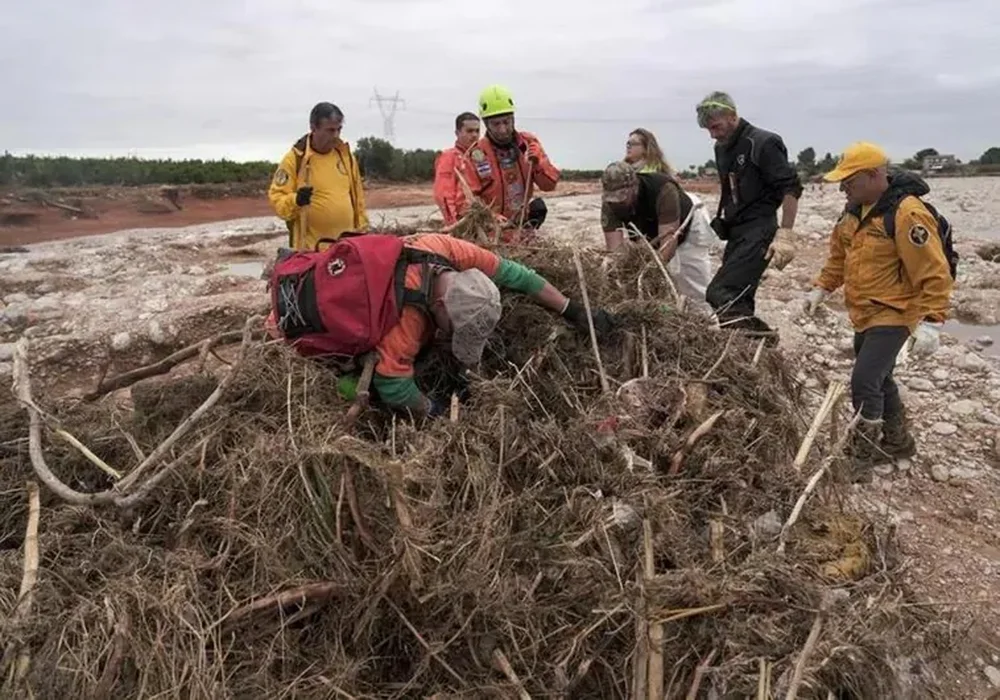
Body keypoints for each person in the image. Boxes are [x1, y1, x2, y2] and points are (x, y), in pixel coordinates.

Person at [272, 232, 616, 417]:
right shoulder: (405, 322)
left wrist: (571, 310)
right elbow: (395, 387)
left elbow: (518, 275)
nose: (451, 339)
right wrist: (433, 410)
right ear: (437, 307)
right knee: (361, 388)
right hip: (291, 329)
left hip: (315, 272)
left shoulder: (440, 248)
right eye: (453, 331)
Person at [803, 142, 953, 482]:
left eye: (849, 181)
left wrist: (932, 322)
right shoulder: (852, 213)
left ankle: (861, 457)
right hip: (864, 313)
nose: (843, 188)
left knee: (864, 381)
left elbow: (934, 270)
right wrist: (822, 288)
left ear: (874, 175)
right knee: (882, 379)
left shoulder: (906, 213)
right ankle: (900, 445)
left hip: (896, 313)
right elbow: (838, 259)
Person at [695, 92, 803, 341]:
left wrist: (785, 233)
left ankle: (764, 339)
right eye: (709, 130)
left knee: (719, 292)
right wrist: (723, 218)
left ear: (732, 116)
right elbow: (731, 188)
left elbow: (791, 187)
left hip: (760, 229)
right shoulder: (722, 148)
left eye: (716, 127)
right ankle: (746, 352)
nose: (713, 134)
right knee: (739, 298)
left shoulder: (763, 142)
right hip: (738, 231)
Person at [599, 162, 714, 312]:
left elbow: (668, 243)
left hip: (686, 227)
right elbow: (615, 251)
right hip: (648, 231)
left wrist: (650, 273)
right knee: (654, 292)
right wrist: (628, 277)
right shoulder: (610, 204)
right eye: (612, 198)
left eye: (621, 196)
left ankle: (708, 323)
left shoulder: (663, 190)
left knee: (693, 287)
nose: (618, 201)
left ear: (634, 187)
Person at [455, 85, 560, 241]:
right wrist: (489, 216)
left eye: (507, 122)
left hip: (522, 230)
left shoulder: (528, 143)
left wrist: (539, 164)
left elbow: (549, 185)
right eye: (496, 124)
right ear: (486, 124)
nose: (503, 129)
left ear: (513, 119)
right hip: (492, 235)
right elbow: (464, 202)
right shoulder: (476, 154)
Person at [268, 102, 368, 251]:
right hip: (311, 251)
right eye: (330, 130)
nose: (335, 135)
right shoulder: (295, 159)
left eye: (339, 130)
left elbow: (358, 198)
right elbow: (277, 200)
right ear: (313, 128)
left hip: (346, 249)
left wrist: (363, 231)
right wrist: (296, 200)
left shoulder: (346, 157)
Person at [433, 112, 481, 226]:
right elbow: (443, 194)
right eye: (469, 131)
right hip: (462, 220)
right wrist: (453, 224)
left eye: (477, 131)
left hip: (480, 217)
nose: (474, 135)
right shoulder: (449, 157)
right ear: (457, 133)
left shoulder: (479, 157)